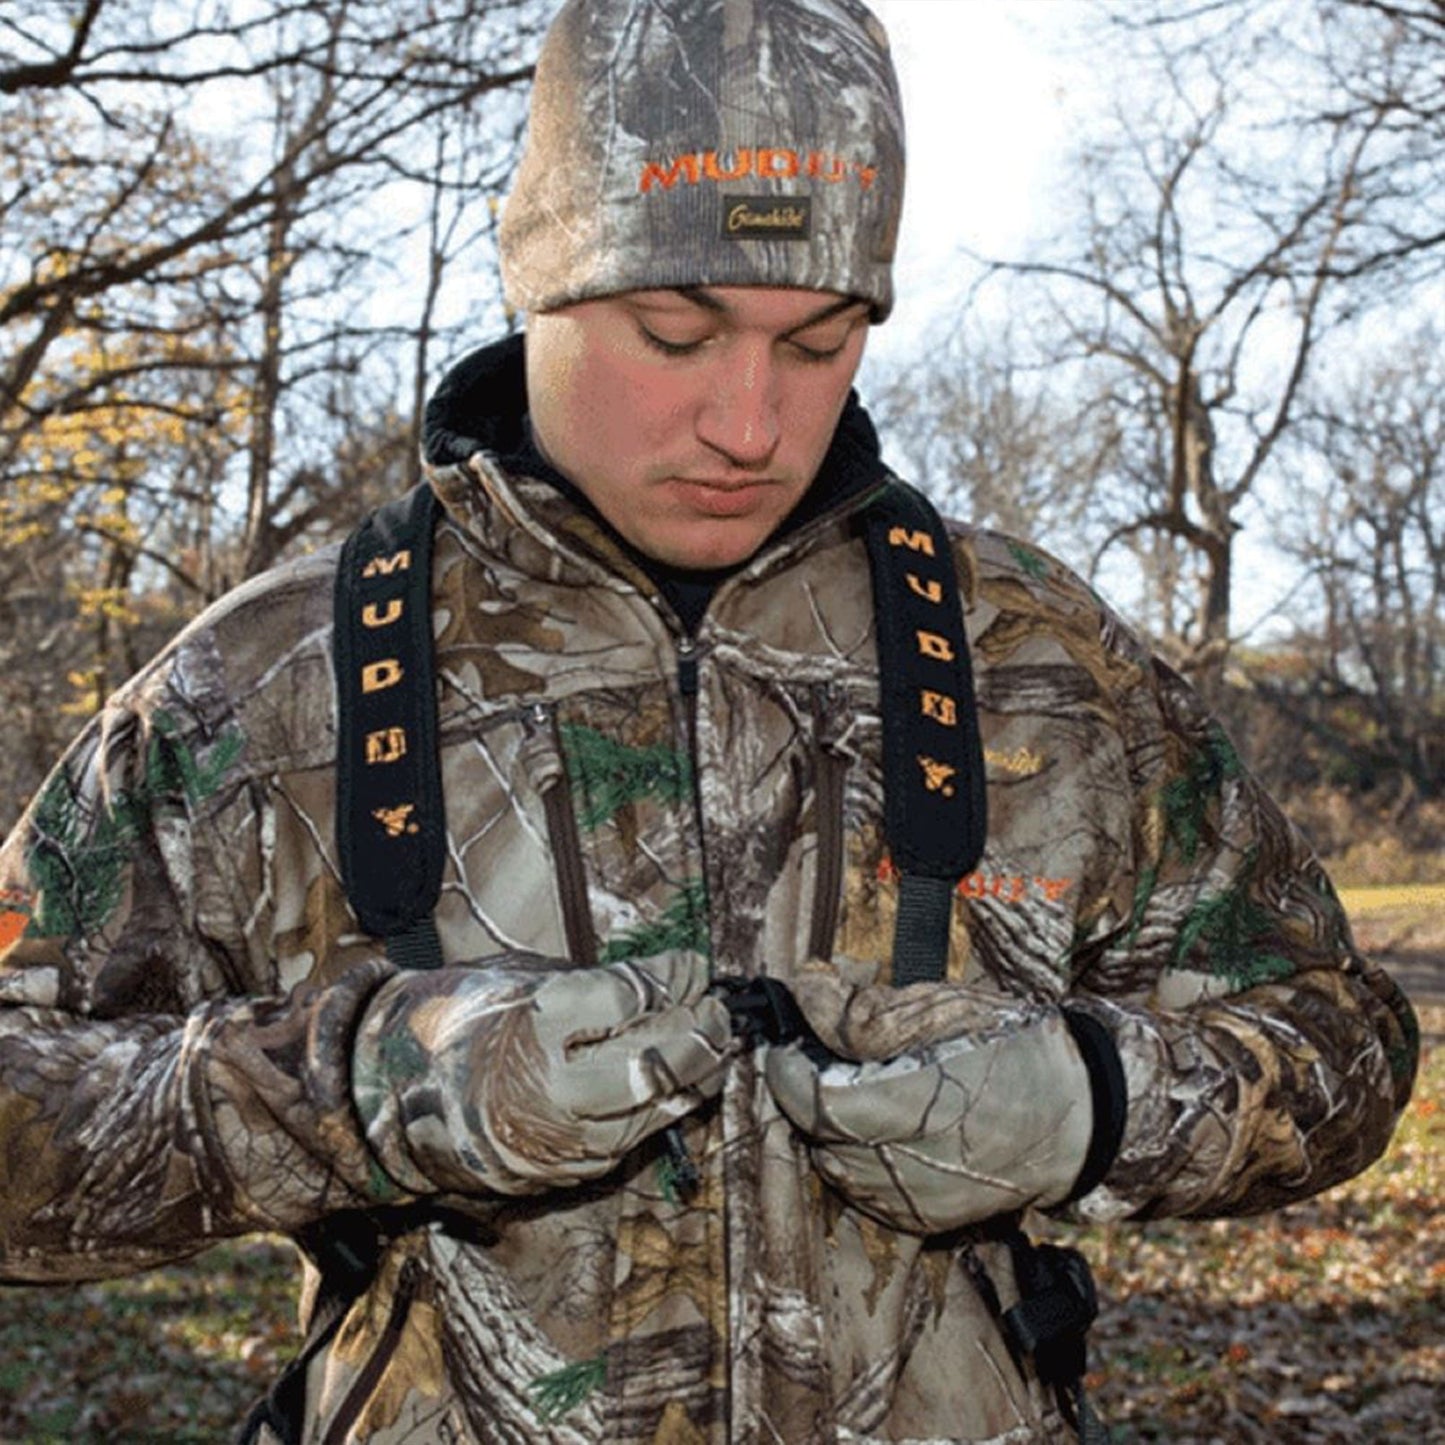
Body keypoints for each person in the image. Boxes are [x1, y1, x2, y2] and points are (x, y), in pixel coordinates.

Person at [0, 1, 1418, 1442]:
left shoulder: (1037, 656)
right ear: (539, 281)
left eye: (816, 342)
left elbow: (1345, 1042)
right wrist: (355, 1091)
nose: (749, 421)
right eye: (674, 334)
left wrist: (1094, 1100)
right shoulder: (272, 679)